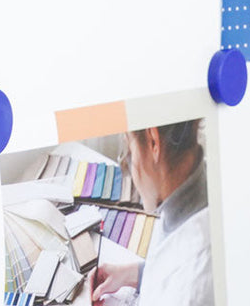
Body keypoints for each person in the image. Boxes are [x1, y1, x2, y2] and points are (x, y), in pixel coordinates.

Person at [90, 121, 213, 305]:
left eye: (130, 151)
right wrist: (135, 274)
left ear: (153, 142)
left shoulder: (192, 287)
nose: (131, 167)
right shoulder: (194, 190)